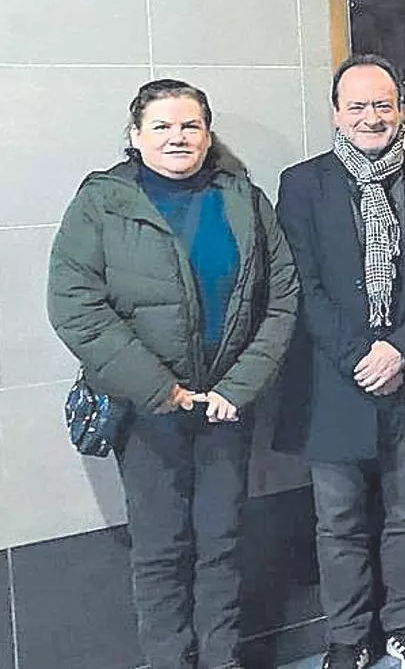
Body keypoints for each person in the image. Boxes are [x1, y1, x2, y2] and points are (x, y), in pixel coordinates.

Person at [47, 79, 299, 669]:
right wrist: (160, 389)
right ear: (135, 136)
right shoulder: (102, 203)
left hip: (225, 408)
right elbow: (74, 305)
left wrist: (239, 386)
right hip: (147, 413)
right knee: (161, 550)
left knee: (223, 542)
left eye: (190, 125)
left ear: (208, 136)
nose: (177, 137)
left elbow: (283, 296)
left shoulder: (244, 199)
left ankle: (221, 658)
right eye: (161, 126)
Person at [276, 54, 405, 669]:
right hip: (335, 382)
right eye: (356, 106)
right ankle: (347, 636)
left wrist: (400, 349)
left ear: (400, 109)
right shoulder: (302, 185)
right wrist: (362, 355)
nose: (371, 117)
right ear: (336, 114)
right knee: (338, 521)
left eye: (382, 104)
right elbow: (301, 285)